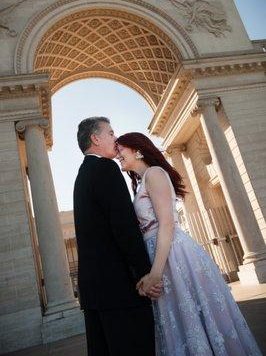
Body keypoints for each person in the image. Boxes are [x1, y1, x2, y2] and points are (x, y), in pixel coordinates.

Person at [116, 132, 262, 356]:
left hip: (173, 255)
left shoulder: (154, 174)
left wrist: (155, 274)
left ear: (137, 150)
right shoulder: (140, 182)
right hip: (160, 255)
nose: (117, 154)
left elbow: (167, 225)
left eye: (120, 149)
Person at [73, 117, 161, 356]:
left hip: (95, 292)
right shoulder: (106, 168)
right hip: (119, 290)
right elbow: (124, 227)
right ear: (95, 138)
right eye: (111, 133)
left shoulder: (83, 174)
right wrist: (145, 272)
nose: (116, 138)